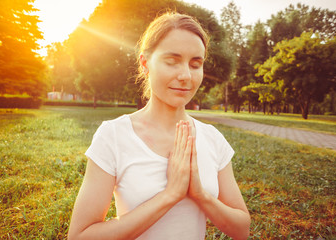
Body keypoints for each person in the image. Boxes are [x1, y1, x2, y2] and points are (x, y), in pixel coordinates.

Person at [68, 12, 250, 240]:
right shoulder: (113, 135)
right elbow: (80, 236)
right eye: (172, 61)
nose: (186, 75)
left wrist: (201, 195)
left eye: (196, 64)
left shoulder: (212, 139)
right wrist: (169, 195)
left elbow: (242, 228)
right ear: (145, 63)